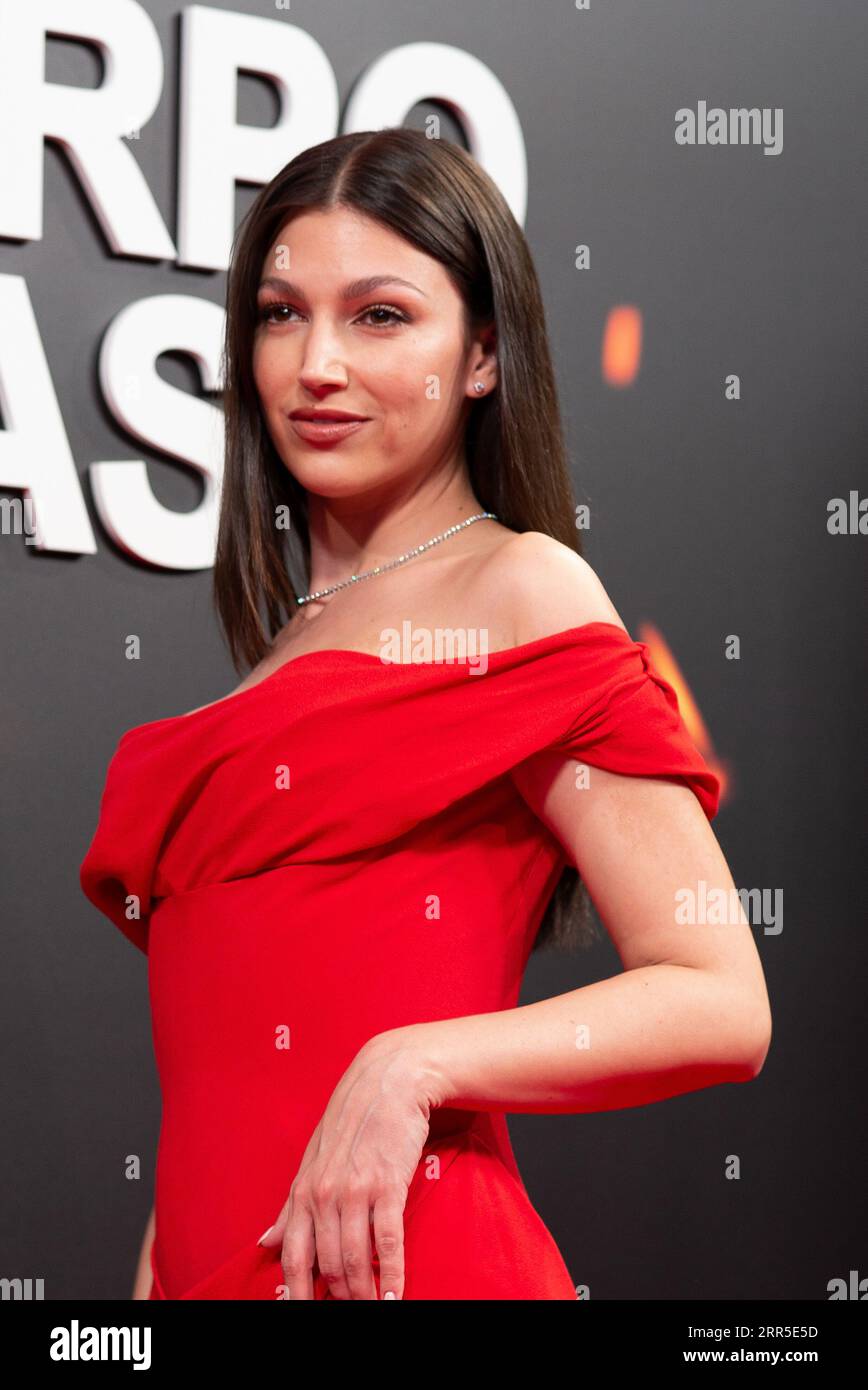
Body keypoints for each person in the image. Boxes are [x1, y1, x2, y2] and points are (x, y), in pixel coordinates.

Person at [80, 128, 771, 1301]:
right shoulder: (277, 655)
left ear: (484, 357)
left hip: (414, 1265)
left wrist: (413, 1065)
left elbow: (718, 998)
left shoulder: (523, 588)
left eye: (380, 315)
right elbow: (221, 1085)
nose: (317, 366)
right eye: (282, 313)